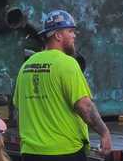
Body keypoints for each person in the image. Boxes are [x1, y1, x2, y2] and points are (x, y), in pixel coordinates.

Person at [13, 10, 112, 161]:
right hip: (64, 152)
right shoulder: (67, 63)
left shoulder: (26, 66)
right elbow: (85, 106)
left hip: (30, 152)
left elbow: (20, 109)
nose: (74, 35)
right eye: (70, 31)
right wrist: (104, 133)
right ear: (58, 35)